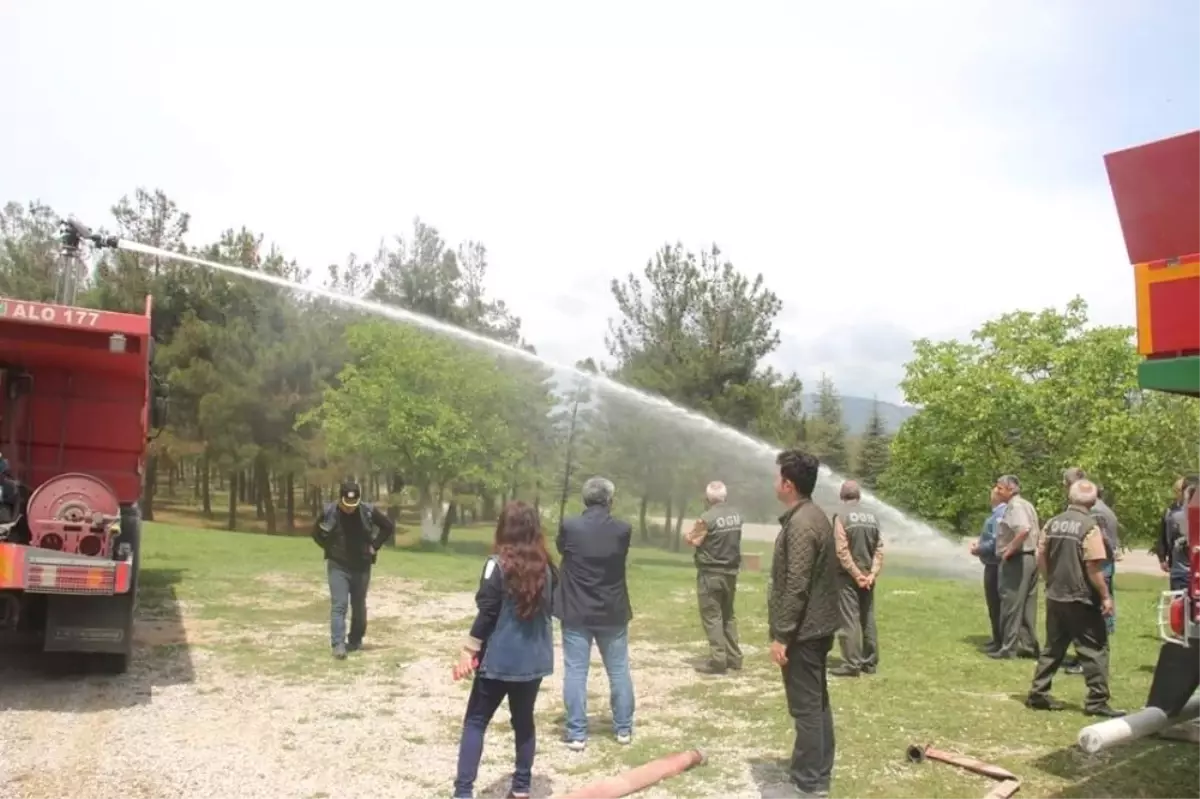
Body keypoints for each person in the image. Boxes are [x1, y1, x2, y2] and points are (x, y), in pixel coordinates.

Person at [451, 501, 556, 799]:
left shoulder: (495, 565)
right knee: (524, 721)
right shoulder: (547, 568)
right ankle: (521, 787)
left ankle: (462, 792)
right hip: (533, 659)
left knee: (475, 721)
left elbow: (487, 612)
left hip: (500, 660)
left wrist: (468, 648)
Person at [768, 449, 842, 798]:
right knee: (817, 701)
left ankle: (807, 783)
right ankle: (819, 772)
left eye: (777, 477)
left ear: (788, 483)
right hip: (818, 627)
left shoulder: (801, 523)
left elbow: (796, 585)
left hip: (805, 632)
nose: (774, 483)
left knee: (806, 707)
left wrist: (782, 635)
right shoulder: (813, 515)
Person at [1025, 479, 1124, 718]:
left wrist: (1050, 580)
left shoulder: (1053, 522)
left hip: (1056, 595)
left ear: (1070, 498)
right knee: (1095, 648)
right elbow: (1093, 567)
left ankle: (1038, 694)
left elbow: (1041, 556)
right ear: (1093, 500)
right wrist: (1105, 596)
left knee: (1053, 647)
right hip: (1081, 597)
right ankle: (1097, 701)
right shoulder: (1089, 527)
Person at [556, 476, 635, 751]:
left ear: (585, 500)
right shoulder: (623, 529)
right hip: (612, 610)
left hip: (576, 610)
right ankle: (623, 728)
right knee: (618, 670)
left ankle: (577, 732)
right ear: (609, 500)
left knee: (576, 672)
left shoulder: (569, 526)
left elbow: (560, 549)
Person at [311, 480, 396, 659]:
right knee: (339, 605)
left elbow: (388, 526)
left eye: (353, 505)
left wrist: (375, 545)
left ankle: (355, 640)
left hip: (361, 566)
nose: (350, 508)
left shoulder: (367, 511)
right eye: (346, 504)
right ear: (340, 499)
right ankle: (338, 645)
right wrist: (329, 548)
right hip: (338, 565)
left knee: (358, 605)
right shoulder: (330, 512)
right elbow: (315, 533)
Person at [684, 480, 744, 674]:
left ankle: (718, 660)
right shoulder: (736, 515)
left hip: (710, 574)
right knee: (728, 615)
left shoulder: (706, 518)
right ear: (725, 496)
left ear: (708, 498)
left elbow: (693, 540)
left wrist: (688, 535)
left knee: (712, 616)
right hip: (731, 573)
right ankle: (734, 658)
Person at [829, 480, 883, 678]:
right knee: (867, 617)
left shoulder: (841, 516)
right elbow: (879, 548)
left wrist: (856, 574)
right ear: (859, 496)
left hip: (848, 577)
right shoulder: (873, 516)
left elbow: (841, 550)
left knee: (849, 619)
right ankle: (869, 662)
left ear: (842, 497)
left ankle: (852, 663)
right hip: (868, 577)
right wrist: (871, 574)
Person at [991, 474, 1040, 660]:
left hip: (1018, 560)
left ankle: (1008, 648)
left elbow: (1023, 529)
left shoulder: (1015, 506)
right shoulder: (1027, 504)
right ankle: (1028, 646)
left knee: (1011, 603)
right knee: (1028, 605)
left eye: (1000, 488)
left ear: (1011, 490)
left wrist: (1009, 550)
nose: (997, 491)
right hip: (1030, 558)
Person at [970, 486, 1006, 652]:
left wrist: (979, 549)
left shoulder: (999, 514)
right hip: (995, 563)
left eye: (992, 492)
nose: (990, 495)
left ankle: (1000, 640)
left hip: (995, 564)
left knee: (996, 604)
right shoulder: (999, 513)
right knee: (995, 605)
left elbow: (995, 540)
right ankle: (997, 638)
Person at [1158, 476, 1198, 591]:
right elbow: (1163, 536)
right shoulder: (1171, 512)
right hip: (1182, 569)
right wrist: (1162, 557)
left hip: (1181, 571)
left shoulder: (1175, 515)